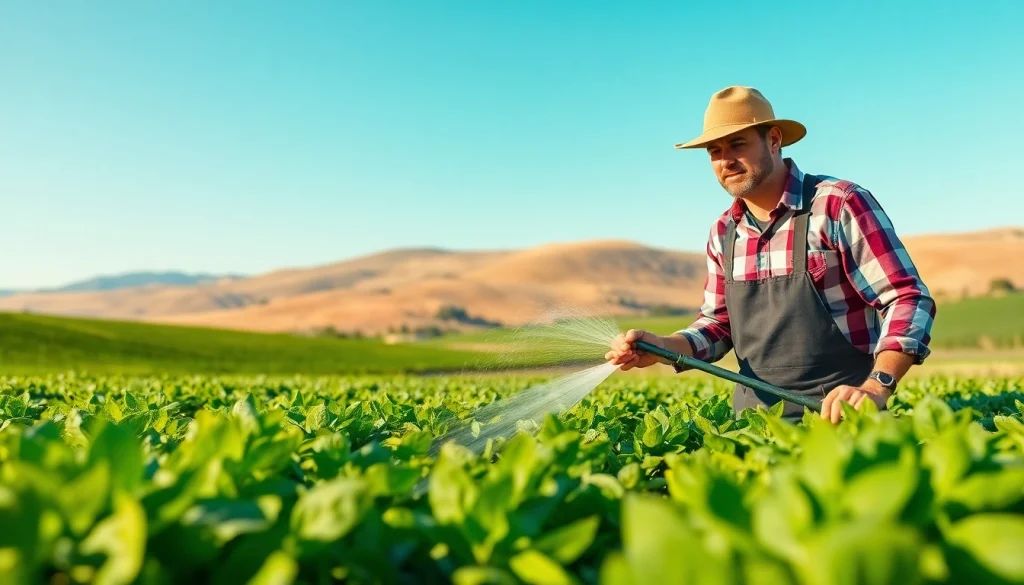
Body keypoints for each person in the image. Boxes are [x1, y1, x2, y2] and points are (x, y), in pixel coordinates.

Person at [605, 86, 936, 423]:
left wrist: (877, 386)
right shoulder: (723, 232)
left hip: (841, 422)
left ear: (774, 140)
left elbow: (906, 297)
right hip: (754, 428)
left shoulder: (837, 204)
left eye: (738, 144)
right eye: (714, 151)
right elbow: (718, 326)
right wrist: (661, 347)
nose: (726, 160)